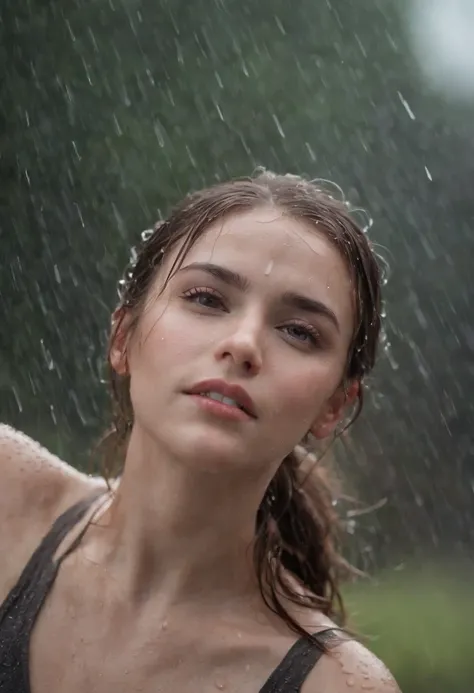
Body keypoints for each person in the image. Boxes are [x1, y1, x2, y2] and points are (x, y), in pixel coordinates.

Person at [0, 171, 400, 692]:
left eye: (299, 332)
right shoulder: (8, 502)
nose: (244, 343)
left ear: (333, 406)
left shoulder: (337, 686)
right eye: (207, 299)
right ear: (123, 336)